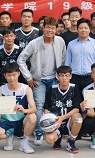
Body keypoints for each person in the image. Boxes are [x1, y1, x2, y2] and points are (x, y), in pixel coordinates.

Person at [17, 16, 66, 145]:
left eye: (53, 28)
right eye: (48, 27)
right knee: (39, 106)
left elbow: (63, 59)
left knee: (54, 106)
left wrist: (61, 76)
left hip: (55, 79)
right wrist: (28, 77)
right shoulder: (35, 43)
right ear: (43, 28)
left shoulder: (60, 41)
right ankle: (39, 133)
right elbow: (21, 59)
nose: (50, 30)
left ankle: (53, 131)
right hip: (39, 81)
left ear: (56, 29)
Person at [0, 62, 37, 154]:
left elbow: (34, 109)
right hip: (6, 121)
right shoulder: (0, 90)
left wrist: (24, 110)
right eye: (9, 75)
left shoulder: (26, 89)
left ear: (18, 73)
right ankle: (9, 136)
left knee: (33, 116)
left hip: (21, 121)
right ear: (5, 76)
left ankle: (24, 142)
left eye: (14, 75)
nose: (12, 78)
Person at [42, 65, 82, 153]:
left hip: (69, 121)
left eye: (67, 75)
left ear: (71, 76)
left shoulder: (74, 88)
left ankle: (71, 142)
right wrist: (46, 115)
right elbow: (46, 108)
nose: (64, 78)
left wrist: (62, 118)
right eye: (61, 75)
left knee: (78, 117)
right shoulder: (51, 89)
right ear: (57, 76)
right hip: (55, 122)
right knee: (49, 139)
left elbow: (76, 109)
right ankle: (57, 138)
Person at [65, 18, 95, 91]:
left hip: (90, 77)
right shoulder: (71, 44)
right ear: (77, 29)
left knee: (89, 98)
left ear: (90, 29)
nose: (83, 30)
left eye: (86, 28)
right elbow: (68, 62)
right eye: (81, 28)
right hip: (74, 77)